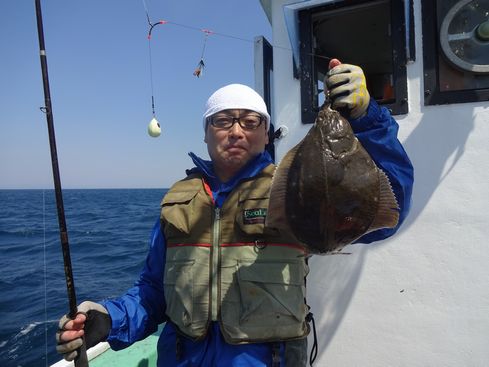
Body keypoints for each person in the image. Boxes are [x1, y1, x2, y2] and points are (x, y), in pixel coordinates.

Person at [56, 59, 414, 366]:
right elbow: (153, 292)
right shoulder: (180, 200)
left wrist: (367, 119)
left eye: (250, 122)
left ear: (266, 133)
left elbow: (388, 208)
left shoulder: (290, 190)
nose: (236, 131)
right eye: (223, 121)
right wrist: (107, 320)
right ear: (206, 133)